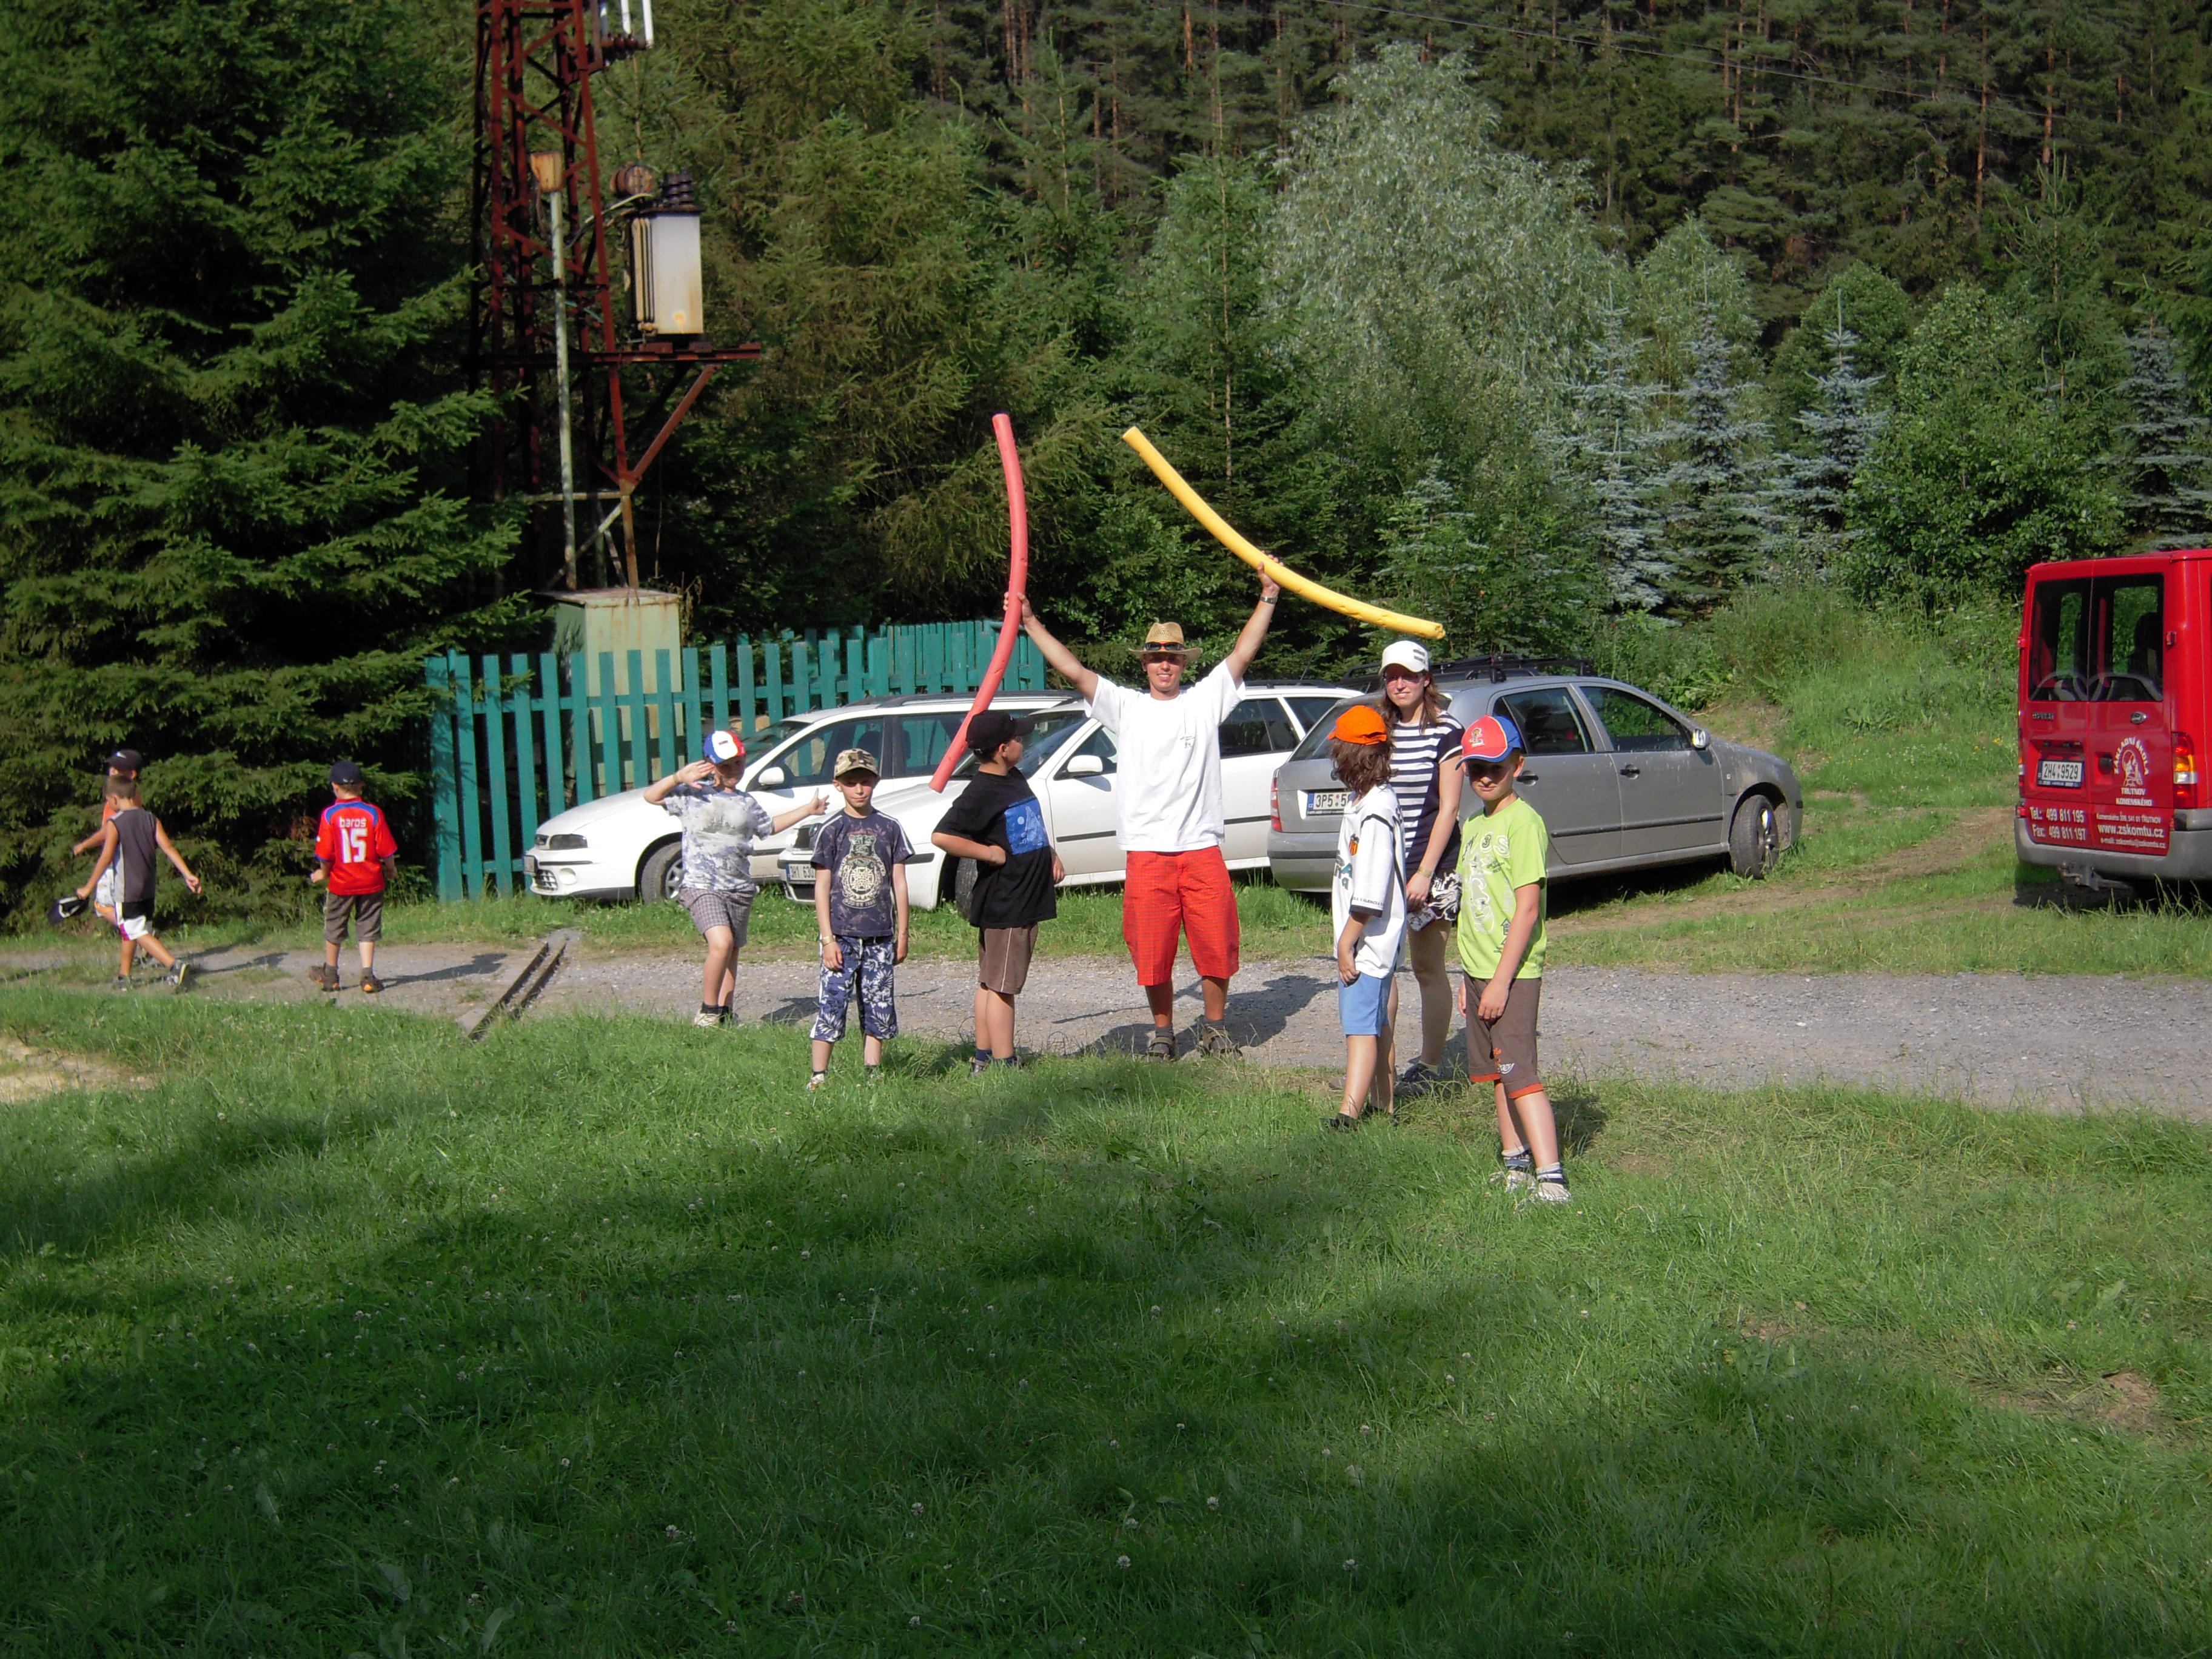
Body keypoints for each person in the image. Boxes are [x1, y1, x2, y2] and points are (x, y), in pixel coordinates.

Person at [1021, 572, 1281, 1061]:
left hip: (1201, 848)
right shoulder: (1126, 706)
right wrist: (1030, 622)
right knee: (1152, 950)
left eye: (1173, 657)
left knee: (1217, 944)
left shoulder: (1205, 700)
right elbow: (1075, 671)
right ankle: (1164, 1033)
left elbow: (1243, 653)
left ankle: (1215, 1029)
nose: (1165, 664)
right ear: (1145, 663)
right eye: (1157, 656)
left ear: (1184, 663)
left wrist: (1268, 595)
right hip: (1147, 852)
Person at [1453, 714, 1567, 1204]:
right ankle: (1515, 1164)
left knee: (1521, 1075)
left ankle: (1552, 1179)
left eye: (1495, 767)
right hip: (1479, 973)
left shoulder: (1524, 824)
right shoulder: (1474, 825)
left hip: (1512, 975)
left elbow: (1527, 909)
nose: (1485, 777)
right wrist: (1468, 977)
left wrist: (1501, 981)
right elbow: (1471, 904)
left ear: (1518, 765)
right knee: (1498, 1074)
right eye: (1475, 767)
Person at [644, 730, 825, 1029]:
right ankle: (707, 1011)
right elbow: (651, 797)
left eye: (738, 763)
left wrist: (808, 810)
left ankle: (725, 1013)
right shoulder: (692, 794)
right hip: (702, 886)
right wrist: (677, 777)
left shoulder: (746, 802)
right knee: (721, 943)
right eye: (724, 765)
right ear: (710, 765)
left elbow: (769, 827)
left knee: (732, 951)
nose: (732, 771)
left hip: (738, 888)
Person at [931, 708, 1065, 1073]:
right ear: (1003, 749)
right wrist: (988, 853)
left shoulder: (1013, 777)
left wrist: (1050, 853)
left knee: (992, 982)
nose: (1024, 743)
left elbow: (1028, 826)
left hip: (1021, 897)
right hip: (1008, 902)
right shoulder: (982, 791)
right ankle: (1004, 1063)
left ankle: (983, 1057)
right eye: (1018, 739)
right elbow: (942, 835)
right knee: (1002, 987)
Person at [1376, 640, 1465, 1099]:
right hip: (1385, 861)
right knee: (1381, 968)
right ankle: (1381, 1069)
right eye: (1392, 676)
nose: (1400, 683)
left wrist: (1425, 873)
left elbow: (1449, 807)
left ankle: (1429, 1065)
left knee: (1428, 968)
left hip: (1432, 863)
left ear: (1426, 679)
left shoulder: (1447, 730)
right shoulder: (1381, 728)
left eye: (1409, 675)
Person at [808, 748, 911, 1090]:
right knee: (832, 1002)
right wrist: (827, 939)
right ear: (838, 785)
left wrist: (903, 934)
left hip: (880, 936)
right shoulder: (832, 829)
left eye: (865, 781)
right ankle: (819, 1075)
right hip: (841, 935)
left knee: (878, 1004)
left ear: (875, 782)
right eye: (851, 782)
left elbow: (899, 883)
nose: (859, 789)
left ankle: (872, 1072)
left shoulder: (890, 828)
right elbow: (822, 886)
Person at [1324, 706, 1406, 1129]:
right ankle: (1382, 1106)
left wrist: (1346, 942)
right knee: (1377, 1023)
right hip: (1370, 940)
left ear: (1351, 757)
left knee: (1359, 1028)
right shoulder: (1369, 801)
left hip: (1368, 942)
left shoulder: (1374, 813)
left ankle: (1349, 1115)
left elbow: (1370, 895)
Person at [75, 775, 202, 990]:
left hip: (128, 891)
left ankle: (175, 966)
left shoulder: (115, 823)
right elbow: (168, 848)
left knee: (137, 932)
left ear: (114, 799)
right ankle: (124, 977)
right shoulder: (150, 818)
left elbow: (106, 857)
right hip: (148, 889)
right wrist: (187, 873)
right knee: (131, 931)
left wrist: (88, 887)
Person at [310, 760, 400, 994]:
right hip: (371, 882)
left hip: (342, 883)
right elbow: (386, 850)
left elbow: (325, 854)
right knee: (368, 926)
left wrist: (324, 873)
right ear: (361, 785)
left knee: (334, 926)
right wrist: (390, 870)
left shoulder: (330, 815)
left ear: (334, 787)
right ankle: (368, 976)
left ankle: (331, 975)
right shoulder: (373, 813)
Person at [72, 749, 145, 933]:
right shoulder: (133, 796)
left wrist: (84, 845)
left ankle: (139, 934)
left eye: (118, 768)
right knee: (123, 906)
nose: (112, 770)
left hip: (115, 861)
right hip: (130, 860)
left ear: (132, 774)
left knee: (103, 905)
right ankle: (137, 934)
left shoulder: (119, 801)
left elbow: (107, 832)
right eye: (112, 767)